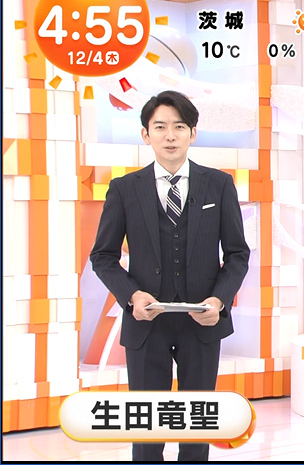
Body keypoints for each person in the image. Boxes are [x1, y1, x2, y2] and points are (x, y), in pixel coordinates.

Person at [89, 90, 250, 461]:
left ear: (193, 132)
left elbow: (238, 254)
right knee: (147, 428)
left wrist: (218, 300)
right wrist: (132, 297)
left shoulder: (219, 184)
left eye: (179, 126)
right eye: (160, 127)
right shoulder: (124, 189)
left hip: (203, 322)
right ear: (145, 135)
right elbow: (103, 256)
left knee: (197, 425)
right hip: (147, 324)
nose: (170, 135)